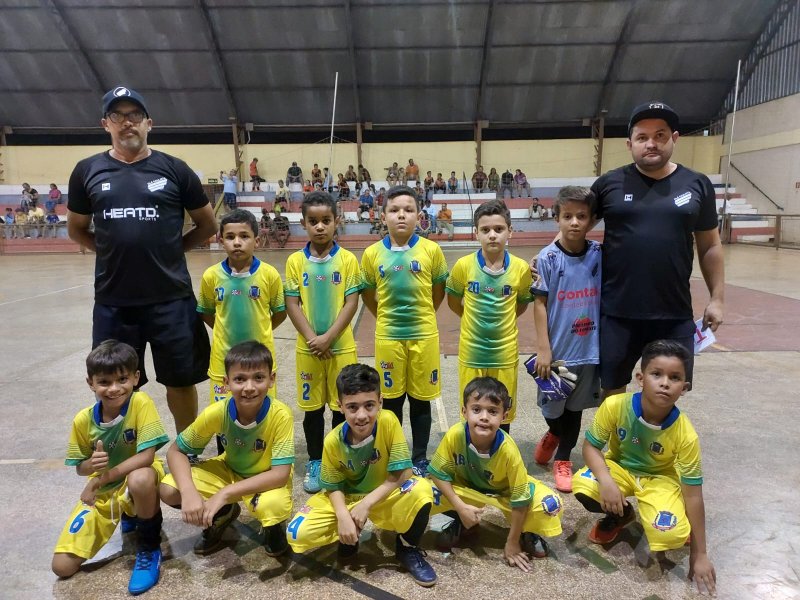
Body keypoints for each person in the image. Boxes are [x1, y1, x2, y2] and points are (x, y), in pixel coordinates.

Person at [67, 86, 216, 434]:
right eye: (117, 116)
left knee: (179, 380)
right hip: (114, 302)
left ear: (149, 122)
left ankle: (187, 448)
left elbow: (207, 224)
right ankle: (126, 449)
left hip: (171, 298)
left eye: (134, 115)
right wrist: (108, 250)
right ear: (106, 124)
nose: (127, 122)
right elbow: (76, 229)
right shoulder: (87, 171)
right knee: (117, 384)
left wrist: (173, 250)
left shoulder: (174, 169)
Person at [589, 102, 724, 396]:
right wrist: (547, 256)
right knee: (612, 393)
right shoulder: (608, 184)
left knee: (667, 392)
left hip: (673, 313)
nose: (651, 144)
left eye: (660, 135)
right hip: (617, 312)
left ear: (674, 138)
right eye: (642, 137)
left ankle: (655, 442)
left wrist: (717, 298)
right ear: (629, 144)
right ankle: (619, 443)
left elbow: (710, 245)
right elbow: (574, 227)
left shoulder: (697, 184)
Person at [572, 340, 716, 595]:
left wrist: (700, 553)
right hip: (620, 468)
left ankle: (672, 513)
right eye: (656, 374)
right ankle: (620, 514)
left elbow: (693, 493)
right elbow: (590, 448)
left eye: (674, 378)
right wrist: (606, 481)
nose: (664, 383)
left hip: (660, 478)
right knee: (583, 484)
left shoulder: (686, 434)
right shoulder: (616, 405)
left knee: (669, 537)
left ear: (684, 388)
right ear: (640, 377)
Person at [286, 364, 437, 587]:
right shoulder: (332, 441)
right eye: (352, 407)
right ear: (340, 407)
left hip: (381, 494)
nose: (362, 415)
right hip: (348, 498)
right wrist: (343, 516)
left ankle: (407, 548)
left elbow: (403, 473)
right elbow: (333, 486)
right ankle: (348, 536)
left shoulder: (388, 422)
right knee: (296, 533)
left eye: (369, 405)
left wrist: (366, 504)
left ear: (381, 402)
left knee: (423, 490)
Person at [52, 340, 169, 595]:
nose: (114, 388)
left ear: (136, 378)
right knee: (62, 567)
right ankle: (129, 513)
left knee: (141, 479)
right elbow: (80, 468)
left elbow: (147, 456)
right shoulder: (83, 420)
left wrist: (98, 479)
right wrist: (90, 466)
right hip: (105, 489)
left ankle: (149, 548)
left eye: (122, 379)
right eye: (104, 382)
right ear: (90, 383)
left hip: (132, 478)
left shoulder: (141, 403)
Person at [160, 342, 294, 557]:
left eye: (258, 378)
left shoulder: (281, 415)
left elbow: (280, 475)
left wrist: (225, 493)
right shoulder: (216, 413)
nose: (249, 387)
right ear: (226, 383)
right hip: (229, 469)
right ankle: (223, 513)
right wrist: (189, 492)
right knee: (169, 489)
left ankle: (273, 526)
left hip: (266, 478)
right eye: (240, 379)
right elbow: (175, 451)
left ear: (272, 379)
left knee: (274, 505)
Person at [429, 377, 563, 571]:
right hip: (469, 489)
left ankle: (527, 530)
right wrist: (459, 507)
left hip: (505, 492)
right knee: (424, 490)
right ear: (464, 412)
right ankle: (460, 520)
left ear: (504, 416)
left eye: (492, 411)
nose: (484, 417)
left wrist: (512, 542)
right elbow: (437, 472)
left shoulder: (508, 450)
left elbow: (521, 499)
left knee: (549, 504)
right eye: (476, 409)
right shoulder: (455, 435)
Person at [360, 185, 449, 473]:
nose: (402, 215)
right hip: (388, 337)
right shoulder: (372, 254)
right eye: (395, 210)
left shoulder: (432, 250)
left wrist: (421, 317)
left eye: (408, 210)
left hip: (424, 336)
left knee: (421, 401)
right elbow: (369, 296)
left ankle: (420, 457)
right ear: (382, 215)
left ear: (418, 216)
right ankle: (395, 454)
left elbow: (437, 293)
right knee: (392, 400)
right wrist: (388, 318)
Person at [284, 192, 361, 493]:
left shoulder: (347, 260)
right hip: (309, 350)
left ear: (336, 222)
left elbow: (351, 302)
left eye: (326, 221)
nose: (319, 227)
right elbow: (292, 304)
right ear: (303, 223)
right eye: (313, 221)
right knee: (313, 410)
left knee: (342, 408)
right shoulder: (294, 262)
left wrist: (329, 337)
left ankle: (338, 460)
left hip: (341, 347)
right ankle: (316, 461)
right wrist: (312, 338)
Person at [531, 187, 602, 492]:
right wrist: (544, 349)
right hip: (557, 353)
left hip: (588, 350)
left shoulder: (600, 255)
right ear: (556, 218)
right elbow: (539, 305)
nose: (574, 222)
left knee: (575, 410)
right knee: (552, 411)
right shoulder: (546, 258)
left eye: (582, 216)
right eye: (568, 216)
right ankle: (553, 433)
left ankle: (563, 459)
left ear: (592, 220)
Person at [445, 200, 532, 432]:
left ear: (510, 232)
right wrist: (469, 316)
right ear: (476, 233)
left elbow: (521, 303)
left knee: (501, 411)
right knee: (472, 410)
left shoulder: (522, 268)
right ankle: (470, 456)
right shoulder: (463, 266)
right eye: (485, 230)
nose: (492, 235)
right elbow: (453, 300)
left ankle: (500, 455)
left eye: (498, 229)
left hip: (504, 352)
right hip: (472, 352)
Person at [197, 209, 286, 415]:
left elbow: (280, 312)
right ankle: (225, 449)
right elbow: (207, 312)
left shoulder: (269, 274)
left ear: (256, 239)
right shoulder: (211, 276)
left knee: (263, 415)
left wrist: (262, 329)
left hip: (261, 357)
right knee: (223, 415)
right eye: (230, 237)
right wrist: (223, 327)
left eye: (244, 236)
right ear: (221, 240)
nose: (237, 242)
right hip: (223, 359)